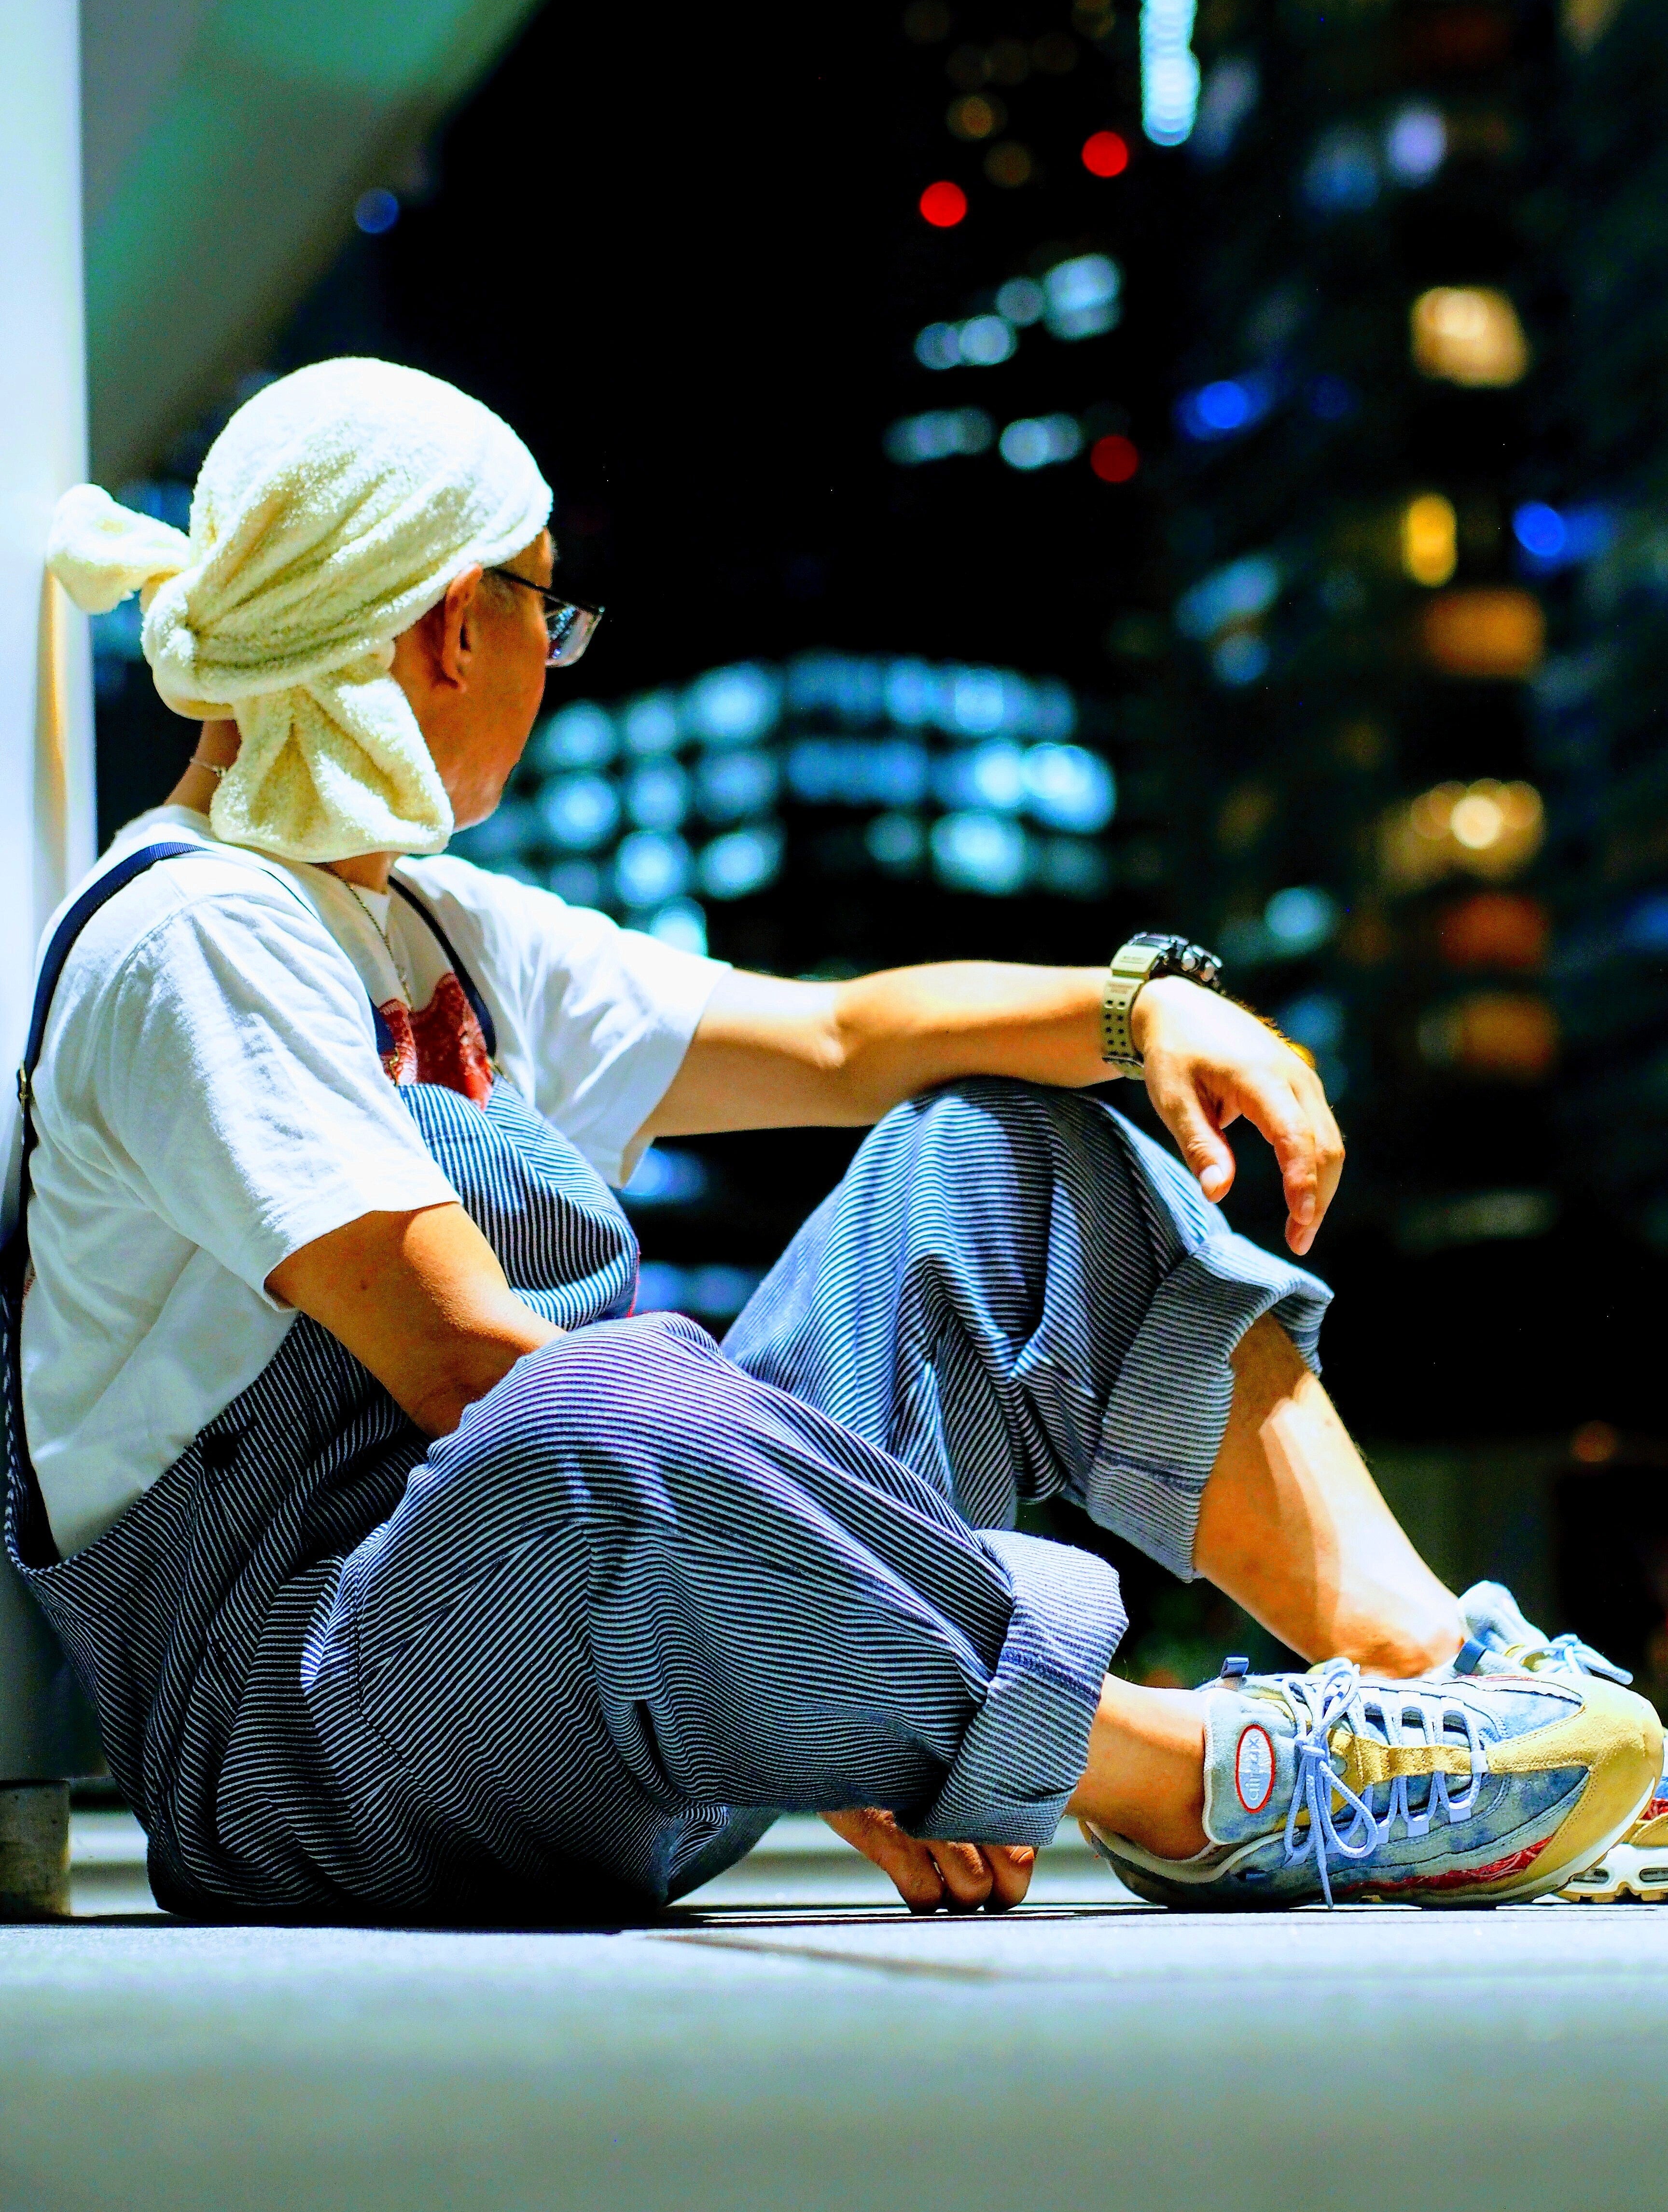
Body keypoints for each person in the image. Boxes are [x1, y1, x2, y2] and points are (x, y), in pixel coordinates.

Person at [9, 358, 1659, 1923]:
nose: (555, 654)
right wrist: (830, 1649)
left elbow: (839, 1039)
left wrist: (1136, 1009)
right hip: (310, 1746)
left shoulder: (429, 920)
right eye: (546, 610)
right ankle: (1207, 1783)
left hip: (599, 1667)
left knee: (1003, 1165)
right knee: (595, 1396)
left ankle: (1475, 1717)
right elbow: (463, 1364)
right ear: (454, 624)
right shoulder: (197, 936)